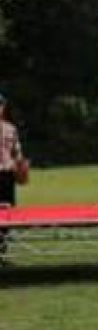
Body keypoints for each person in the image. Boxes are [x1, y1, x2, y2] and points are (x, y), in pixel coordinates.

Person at [0, 93, 24, 261]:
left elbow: (17, 152)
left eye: (0, 105)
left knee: (8, 213)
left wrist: (21, 166)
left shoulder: (10, 128)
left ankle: (2, 250)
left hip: (7, 174)